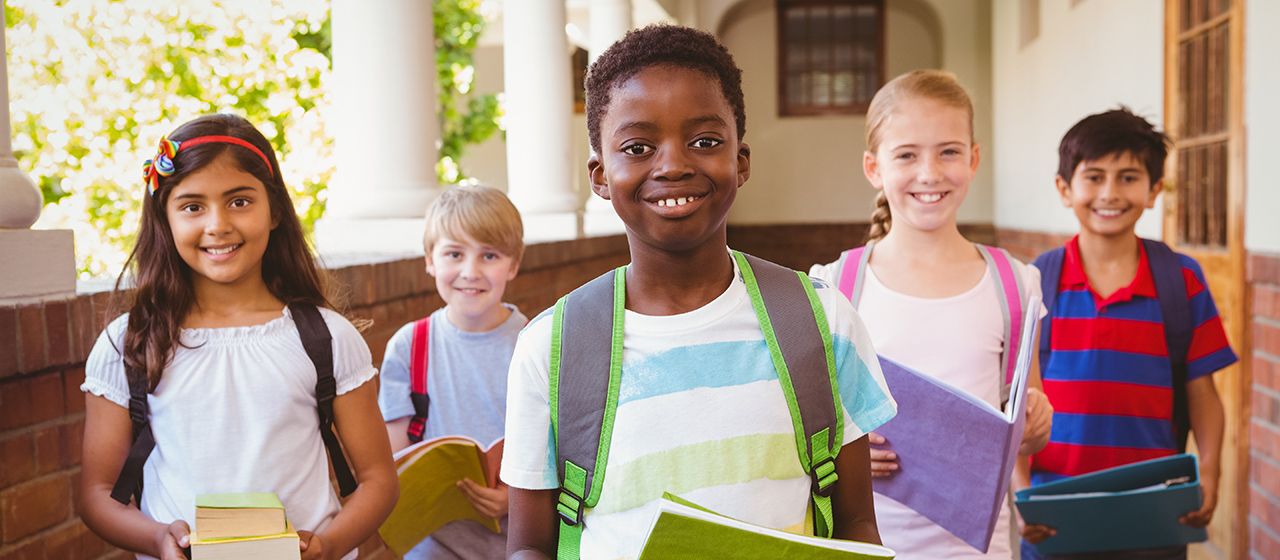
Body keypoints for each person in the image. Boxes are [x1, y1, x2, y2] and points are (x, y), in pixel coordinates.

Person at [500, 24, 898, 560]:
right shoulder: (552, 348)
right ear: (600, 174)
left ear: (741, 161)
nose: (673, 165)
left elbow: (855, 524)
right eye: (638, 146)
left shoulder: (821, 321)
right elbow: (529, 547)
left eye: (705, 141)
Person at [78, 114, 399, 560]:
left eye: (239, 202)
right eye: (192, 206)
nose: (218, 225)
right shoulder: (129, 344)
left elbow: (379, 480)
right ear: (164, 220)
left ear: (275, 212)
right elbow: (96, 493)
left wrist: (329, 545)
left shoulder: (327, 338)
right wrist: (155, 539)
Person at [809, 70, 1054, 559]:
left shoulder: (1014, 283)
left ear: (974, 158)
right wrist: (845, 450)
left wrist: (1036, 422)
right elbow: (816, 428)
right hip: (873, 542)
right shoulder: (836, 286)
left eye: (948, 151)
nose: (929, 173)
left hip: (978, 549)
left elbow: (1024, 417)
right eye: (906, 155)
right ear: (874, 167)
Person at [1017, 108, 1237, 560]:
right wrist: (1020, 493)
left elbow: (1203, 393)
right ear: (1065, 189)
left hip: (1155, 510)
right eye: (1093, 177)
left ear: (1155, 190)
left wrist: (1210, 473)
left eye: (1129, 177)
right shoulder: (1037, 282)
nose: (1110, 193)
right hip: (1056, 512)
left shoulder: (1181, 280)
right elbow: (1020, 398)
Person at [378, 185, 526, 559]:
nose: (470, 272)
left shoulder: (536, 344)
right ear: (430, 259)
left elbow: (565, 447)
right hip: (431, 545)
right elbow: (397, 461)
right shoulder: (410, 346)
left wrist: (515, 495)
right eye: (454, 254)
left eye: (489, 255)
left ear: (513, 263)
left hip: (519, 543)